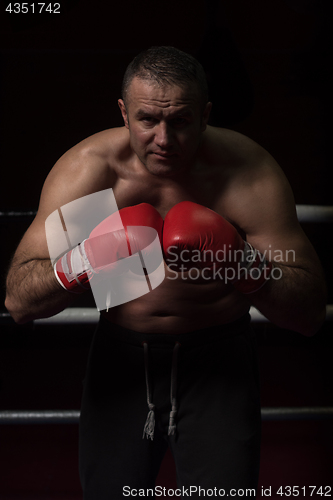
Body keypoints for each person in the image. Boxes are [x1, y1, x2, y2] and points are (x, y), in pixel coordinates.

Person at [5, 46, 326, 499]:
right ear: (123, 112)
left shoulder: (246, 173)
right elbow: (18, 301)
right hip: (121, 360)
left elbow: (309, 312)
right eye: (147, 120)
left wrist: (240, 263)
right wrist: (86, 258)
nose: (163, 139)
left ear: (205, 115)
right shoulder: (93, 173)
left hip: (219, 362)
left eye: (179, 121)